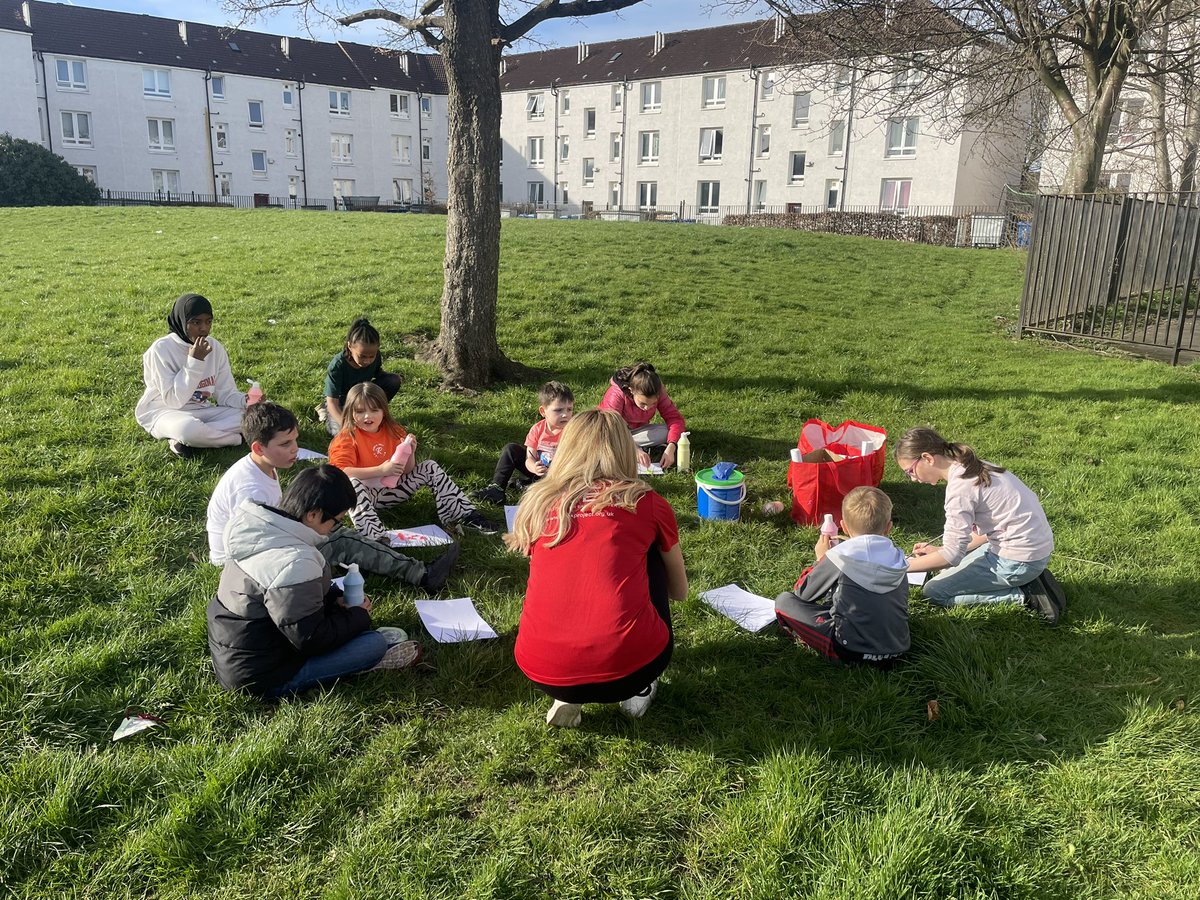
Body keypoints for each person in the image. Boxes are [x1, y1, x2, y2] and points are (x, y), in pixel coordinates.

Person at [505, 410, 688, 728]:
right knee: (650, 554)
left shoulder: (537, 502)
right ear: (623, 449)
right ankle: (639, 688)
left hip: (542, 669)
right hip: (630, 670)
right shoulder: (646, 502)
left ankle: (568, 695)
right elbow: (680, 592)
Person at [207, 464, 423, 699]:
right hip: (261, 678)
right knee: (374, 644)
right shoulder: (295, 560)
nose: (334, 529)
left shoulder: (255, 527)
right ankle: (363, 663)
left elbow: (288, 601)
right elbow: (311, 639)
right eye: (336, 521)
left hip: (236, 656)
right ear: (313, 515)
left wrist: (333, 599)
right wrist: (359, 617)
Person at [206, 402, 458, 592]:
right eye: (285, 444)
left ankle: (386, 560)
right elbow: (258, 544)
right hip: (243, 564)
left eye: (295, 440)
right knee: (341, 539)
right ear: (258, 448)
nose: (294, 449)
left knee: (335, 530)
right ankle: (422, 575)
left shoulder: (261, 466)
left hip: (264, 543)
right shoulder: (250, 488)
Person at [896, 427, 1065, 623]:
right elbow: (985, 533)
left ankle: (1026, 596)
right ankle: (1031, 579)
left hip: (1018, 560)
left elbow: (952, 556)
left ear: (928, 458)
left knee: (933, 591)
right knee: (944, 570)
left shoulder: (960, 489)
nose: (912, 479)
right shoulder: (971, 466)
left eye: (910, 471)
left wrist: (899, 567)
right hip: (1032, 551)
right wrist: (939, 550)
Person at [328, 382, 500, 540]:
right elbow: (340, 472)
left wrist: (410, 452)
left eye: (374, 410)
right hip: (363, 495)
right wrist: (381, 470)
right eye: (360, 411)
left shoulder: (394, 430)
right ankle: (375, 538)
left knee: (430, 466)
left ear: (384, 411)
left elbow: (407, 470)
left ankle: (464, 515)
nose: (368, 416)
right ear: (350, 412)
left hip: (391, 490)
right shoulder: (346, 437)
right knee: (353, 483)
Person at [775, 486, 910, 669]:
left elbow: (803, 593)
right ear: (888, 528)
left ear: (843, 527)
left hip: (849, 651)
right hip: (897, 649)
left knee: (784, 601)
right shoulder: (898, 556)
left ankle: (800, 635)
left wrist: (821, 559)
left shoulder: (840, 556)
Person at [135, 292, 246, 458]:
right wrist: (195, 361)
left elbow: (226, 394)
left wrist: (246, 401)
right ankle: (237, 438)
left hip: (203, 410)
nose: (204, 328)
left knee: (263, 414)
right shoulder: (161, 350)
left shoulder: (215, 347)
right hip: (165, 412)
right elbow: (174, 400)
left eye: (208, 322)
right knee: (188, 430)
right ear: (181, 321)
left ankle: (195, 440)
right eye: (196, 322)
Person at [472, 381, 574, 505]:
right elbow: (529, 457)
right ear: (543, 411)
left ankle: (528, 486)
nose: (565, 414)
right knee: (511, 449)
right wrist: (534, 468)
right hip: (539, 472)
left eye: (569, 409)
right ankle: (497, 488)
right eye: (558, 410)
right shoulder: (537, 429)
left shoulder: (573, 430)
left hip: (562, 475)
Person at [320, 317, 404, 436]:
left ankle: (374, 410)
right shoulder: (337, 366)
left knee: (393, 381)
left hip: (363, 397)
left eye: (372, 356)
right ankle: (327, 414)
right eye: (362, 356)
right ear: (350, 346)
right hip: (343, 402)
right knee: (341, 433)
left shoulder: (375, 355)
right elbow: (332, 402)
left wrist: (392, 377)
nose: (367, 361)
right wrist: (346, 426)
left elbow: (377, 373)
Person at [598, 362, 686, 470]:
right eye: (642, 404)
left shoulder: (658, 390)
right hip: (611, 432)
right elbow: (609, 428)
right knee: (606, 441)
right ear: (631, 390)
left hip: (636, 432)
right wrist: (633, 449)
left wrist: (672, 446)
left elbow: (675, 418)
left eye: (653, 404)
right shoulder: (616, 395)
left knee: (669, 432)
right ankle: (632, 448)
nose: (647, 408)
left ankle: (631, 448)